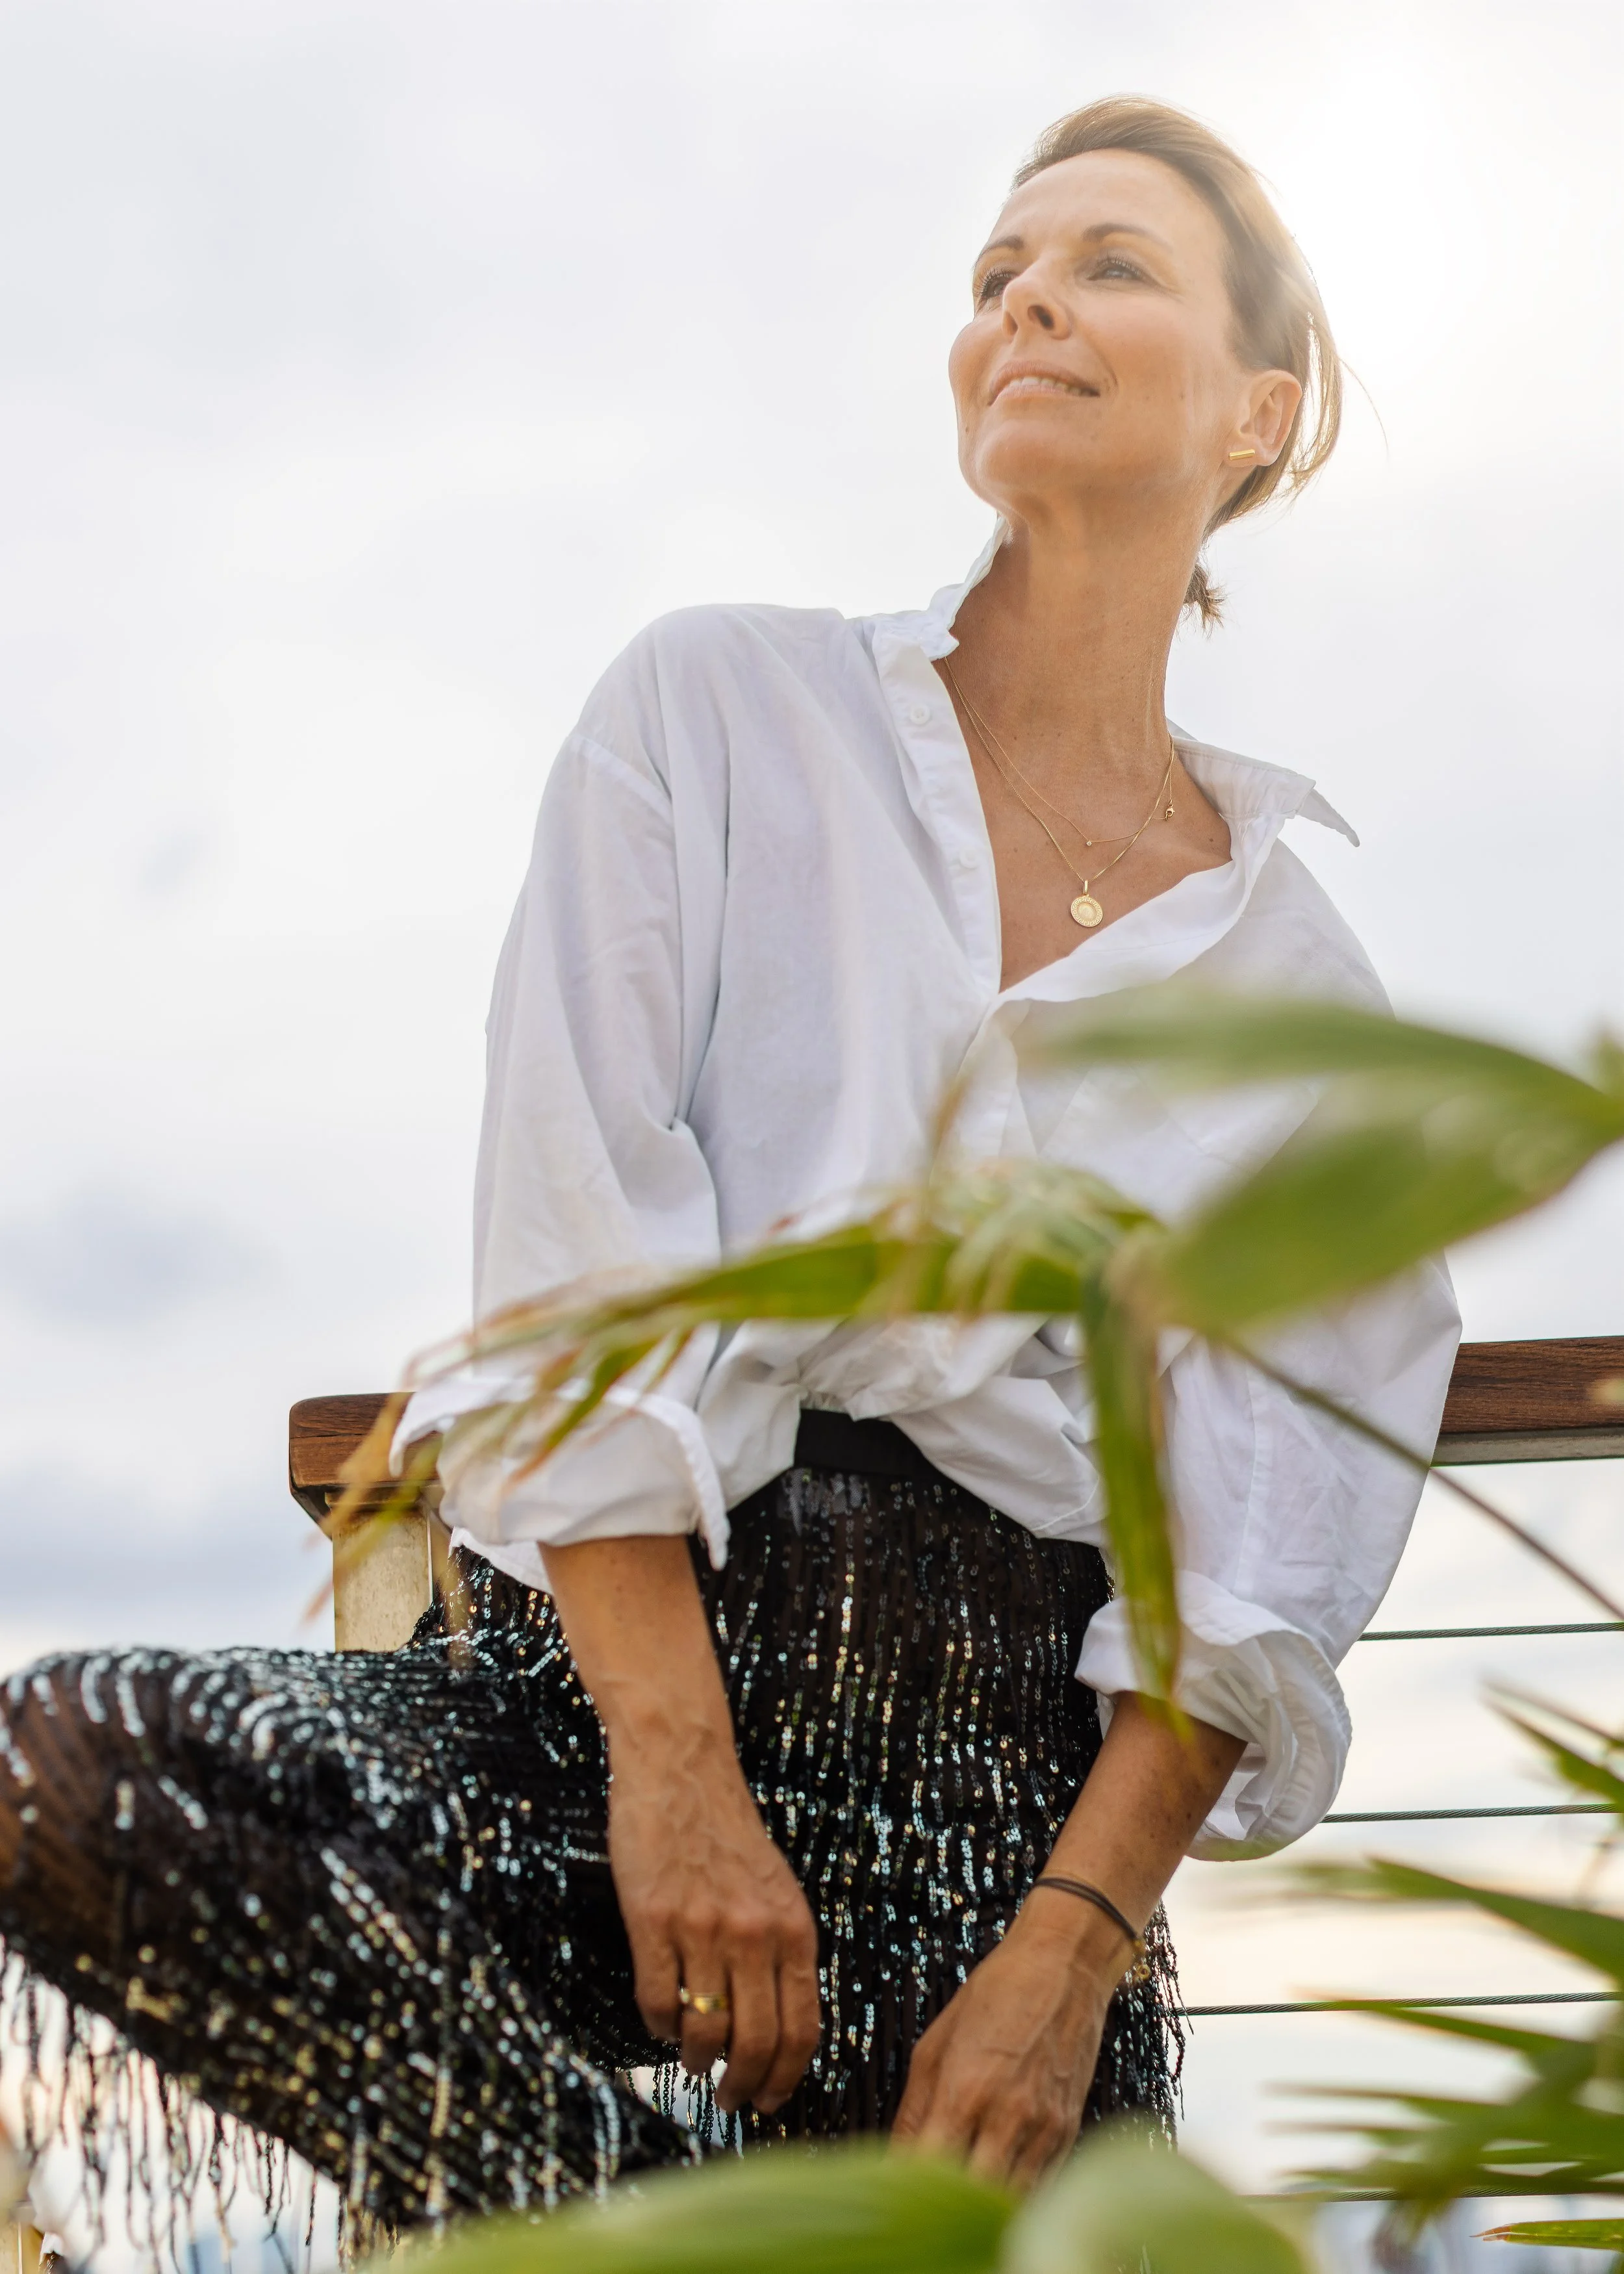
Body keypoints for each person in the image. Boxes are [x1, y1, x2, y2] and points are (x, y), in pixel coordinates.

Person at [0, 95, 1460, 2242]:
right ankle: (652, 2221)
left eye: (1110, 264)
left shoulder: (1310, 1003)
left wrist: (1068, 1957)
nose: (1023, 299)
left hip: (1002, 1823)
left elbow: (1255, 1554)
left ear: (1262, 410)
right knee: (75, 1762)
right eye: (994, 275)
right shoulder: (711, 711)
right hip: (583, 1701)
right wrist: (667, 1770)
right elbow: (571, 1256)